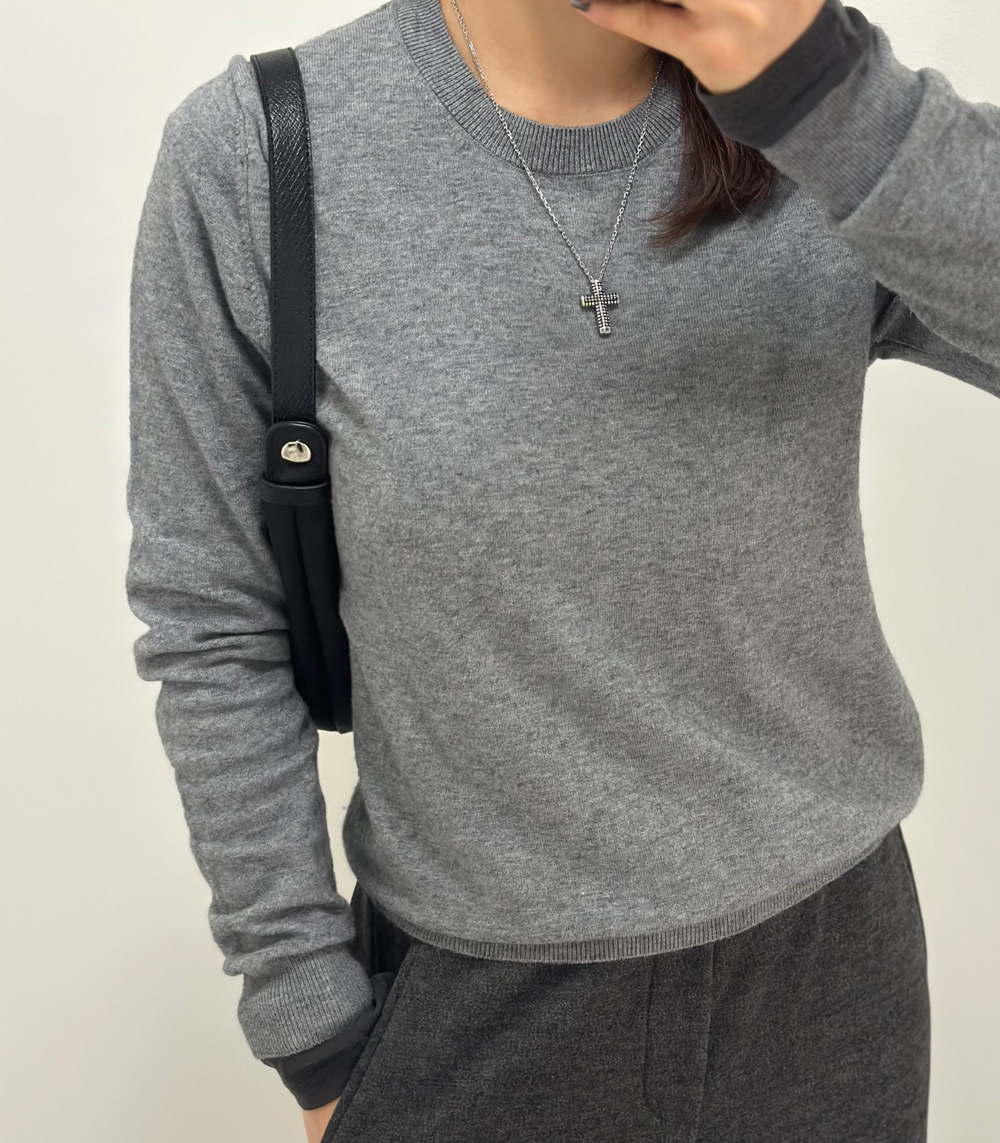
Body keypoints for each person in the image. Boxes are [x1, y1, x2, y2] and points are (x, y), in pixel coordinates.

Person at [125, 0, 999, 1139]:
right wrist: (312, 1026)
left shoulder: (812, 114)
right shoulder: (263, 150)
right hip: (473, 1012)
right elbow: (211, 617)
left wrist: (832, 96)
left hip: (829, 979)